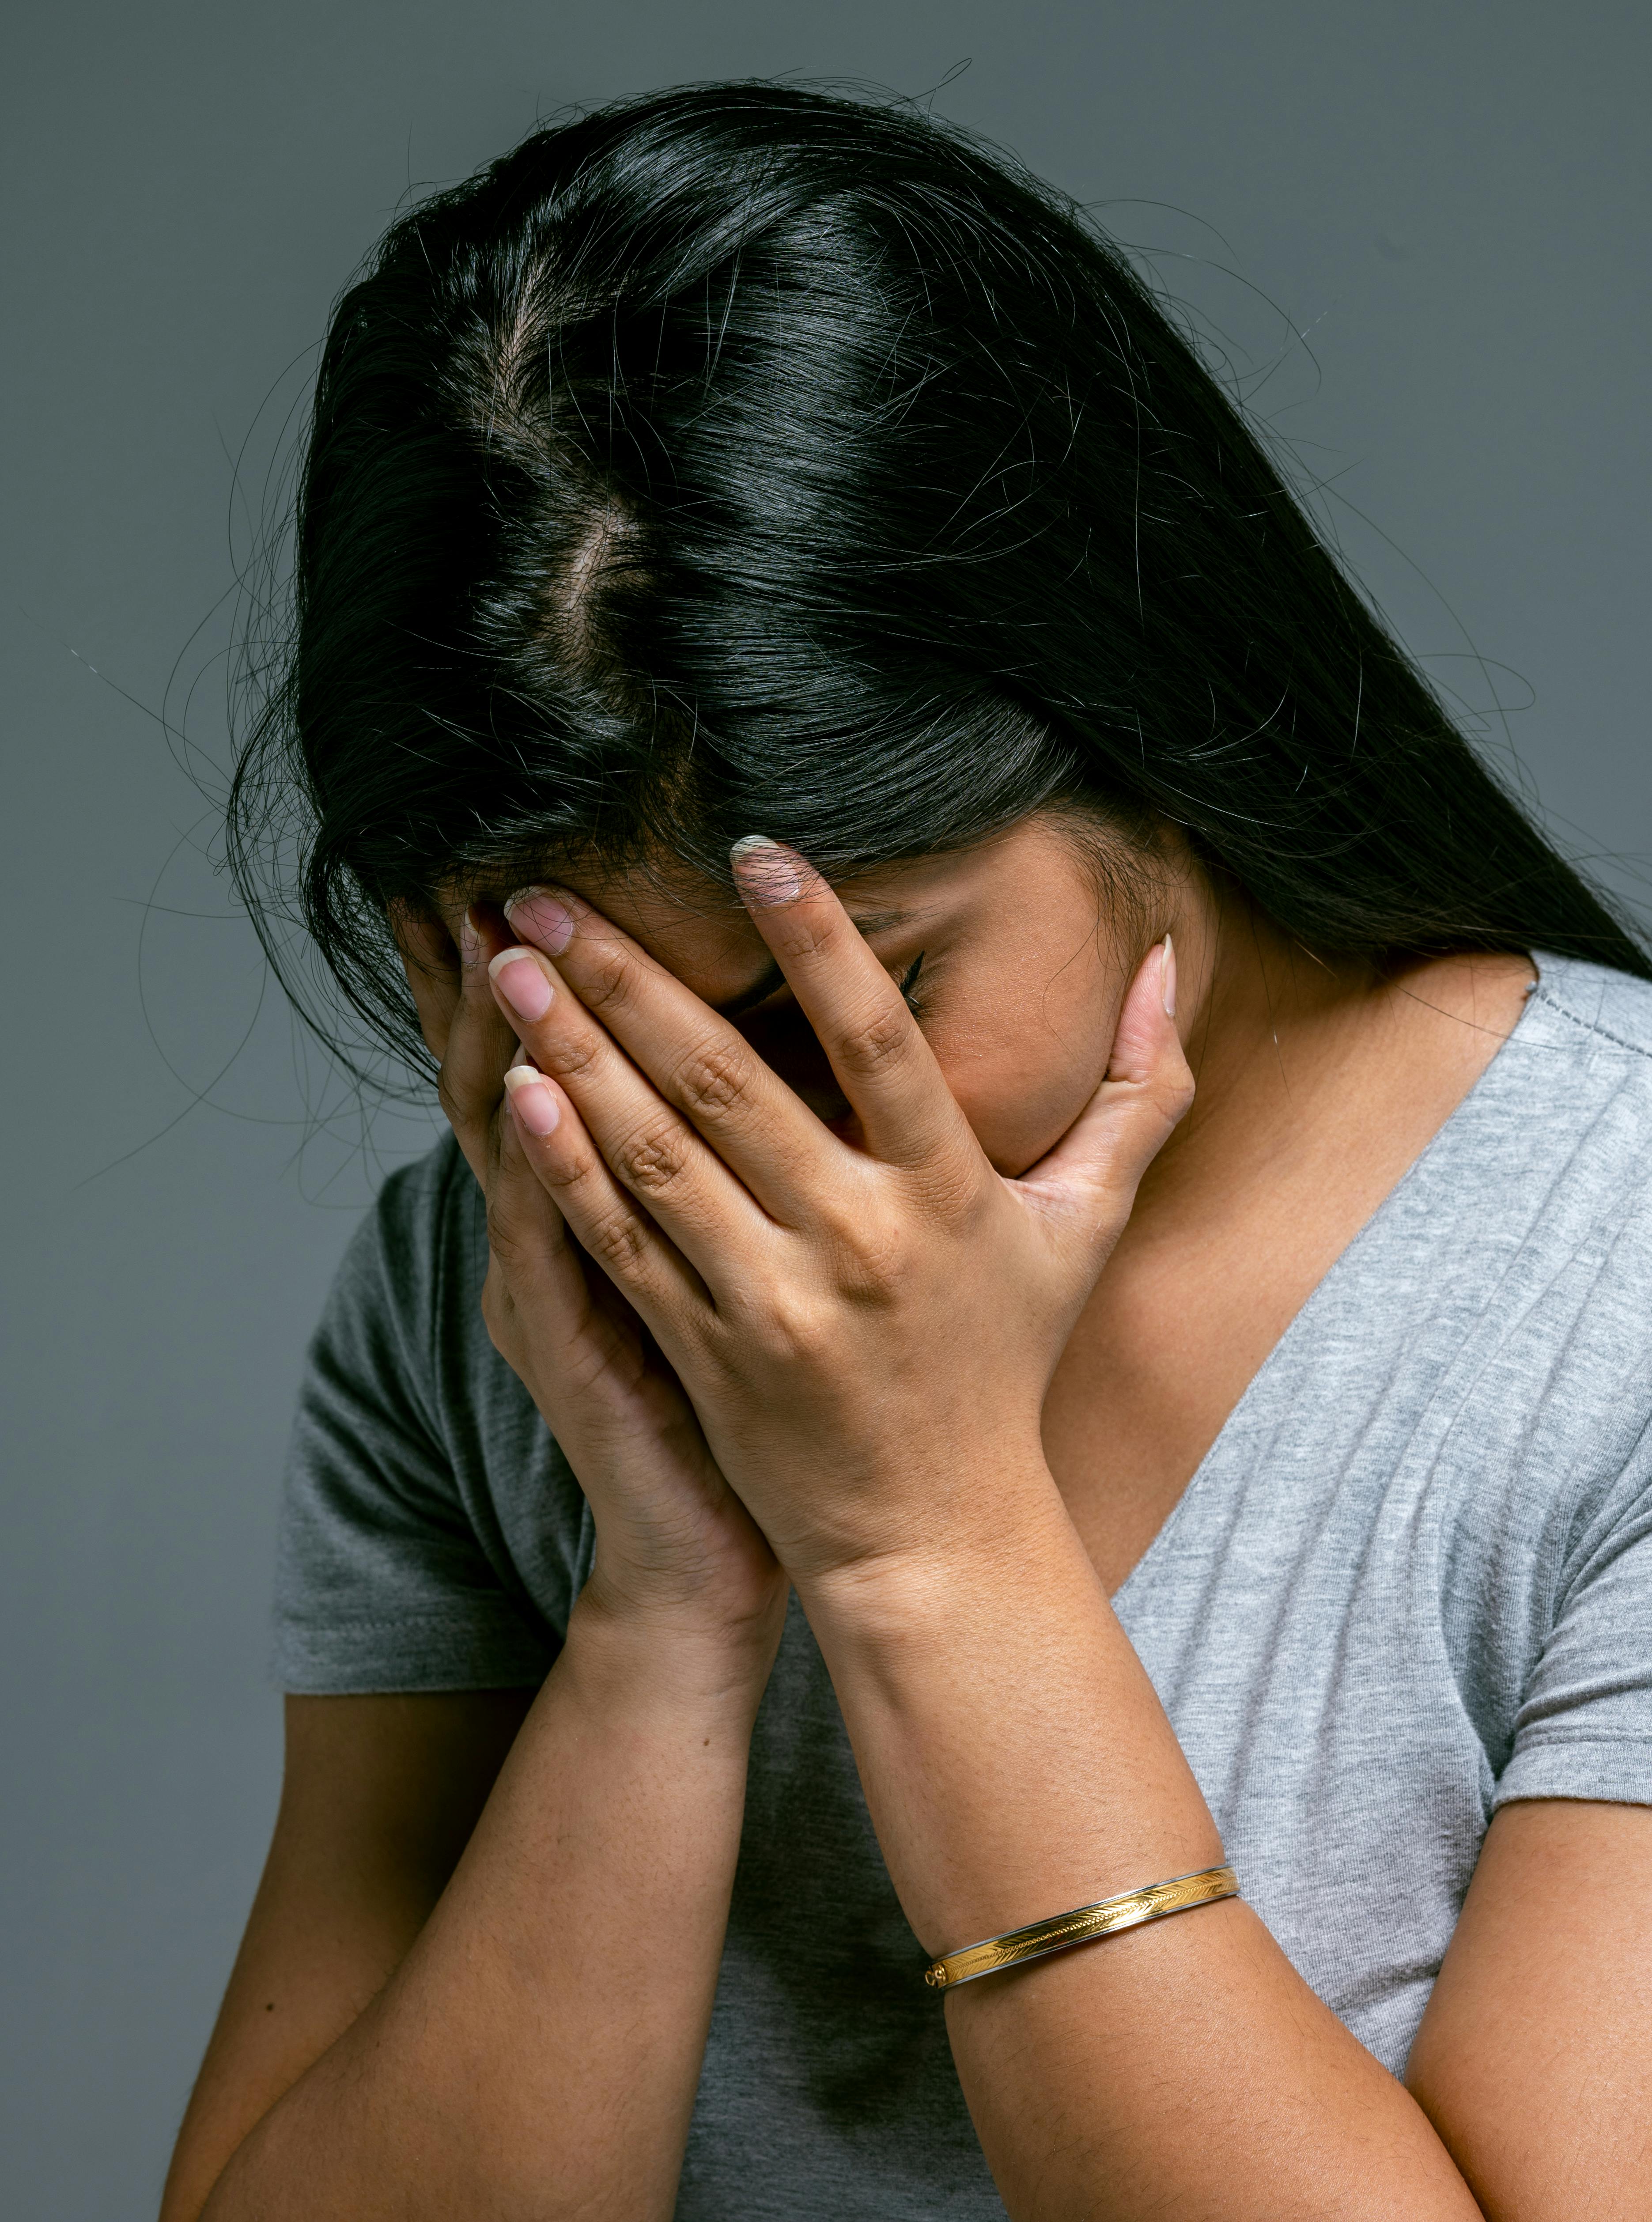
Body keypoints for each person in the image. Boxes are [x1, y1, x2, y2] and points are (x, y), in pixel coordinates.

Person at [162, 82, 1652, 2222]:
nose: (747, 1151)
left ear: (1147, 721)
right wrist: (667, 1595)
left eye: (861, 991)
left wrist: (930, 1549)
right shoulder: (488, 1297)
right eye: (613, 1025)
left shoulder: (1616, 1279)